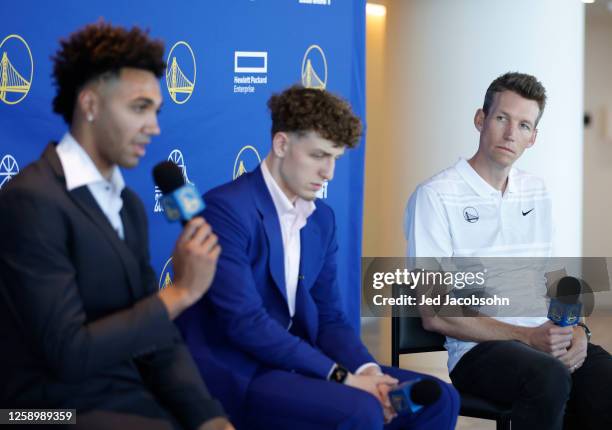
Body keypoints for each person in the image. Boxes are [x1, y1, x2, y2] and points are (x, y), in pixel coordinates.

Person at [177, 85, 459, 429]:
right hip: (243, 369)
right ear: (281, 145)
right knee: (359, 408)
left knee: (440, 398)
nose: (329, 172)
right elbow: (245, 323)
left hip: (302, 364)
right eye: (318, 156)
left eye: (335, 159)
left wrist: (368, 372)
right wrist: (344, 378)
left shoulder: (321, 219)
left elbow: (329, 318)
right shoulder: (227, 210)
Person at [0, 22, 233, 430]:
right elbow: (68, 354)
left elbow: (159, 342)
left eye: (156, 111)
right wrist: (179, 293)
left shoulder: (129, 206)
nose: (154, 127)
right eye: (139, 108)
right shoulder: (31, 200)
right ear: (89, 104)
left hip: (124, 399)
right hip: (37, 411)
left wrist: (209, 416)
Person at [404, 72, 612, 430]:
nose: (511, 133)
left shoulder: (537, 191)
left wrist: (577, 332)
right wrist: (526, 336)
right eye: (502, 118)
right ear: (480, 119)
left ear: (533, 138)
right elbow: (434, 313)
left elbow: (555, 283)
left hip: (542, 341)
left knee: (603, 377)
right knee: (548, 378)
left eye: (524, 125)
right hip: (478, 351)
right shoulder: (435, 195)